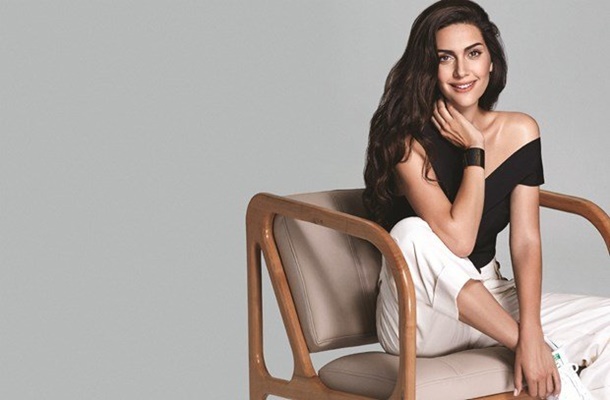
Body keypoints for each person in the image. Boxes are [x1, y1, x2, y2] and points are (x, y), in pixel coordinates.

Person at [363, 0, 610, 399]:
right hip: (418, 315)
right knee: (410, 233)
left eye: (473, 54)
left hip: (488, 297)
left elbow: (525, 241)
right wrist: (474, 152)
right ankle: (543, 357)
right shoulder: (407, 143)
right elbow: (459, 240)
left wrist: (533, 328)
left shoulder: (520, 130)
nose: (462, 71)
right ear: (427, 68)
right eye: (445, 58)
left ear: (491, 62)